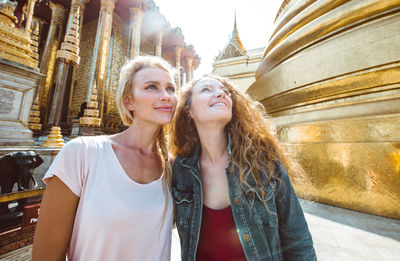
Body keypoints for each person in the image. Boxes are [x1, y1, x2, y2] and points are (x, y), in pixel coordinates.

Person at [32, 56, 177, 261]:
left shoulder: (173, 168)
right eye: (152, 87)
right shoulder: (82, 153)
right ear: (129, 101)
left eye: (171, 89)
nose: (165, 96)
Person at [171, 75, 317, 261]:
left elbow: (297, 237)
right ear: (188, 110)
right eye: (207, 90)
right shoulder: (181, 169)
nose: (220, 94)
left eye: (225, 92)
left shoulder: (263, 160)